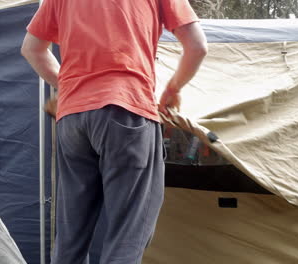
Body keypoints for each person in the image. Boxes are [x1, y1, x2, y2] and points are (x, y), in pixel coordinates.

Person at [21, 0, 207, 263]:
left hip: (73, 118)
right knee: (127, 234)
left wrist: (70, 86)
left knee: (71, 235)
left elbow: (32, 49)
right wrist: (173, 88)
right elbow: (197, 47)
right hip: (127, 109)